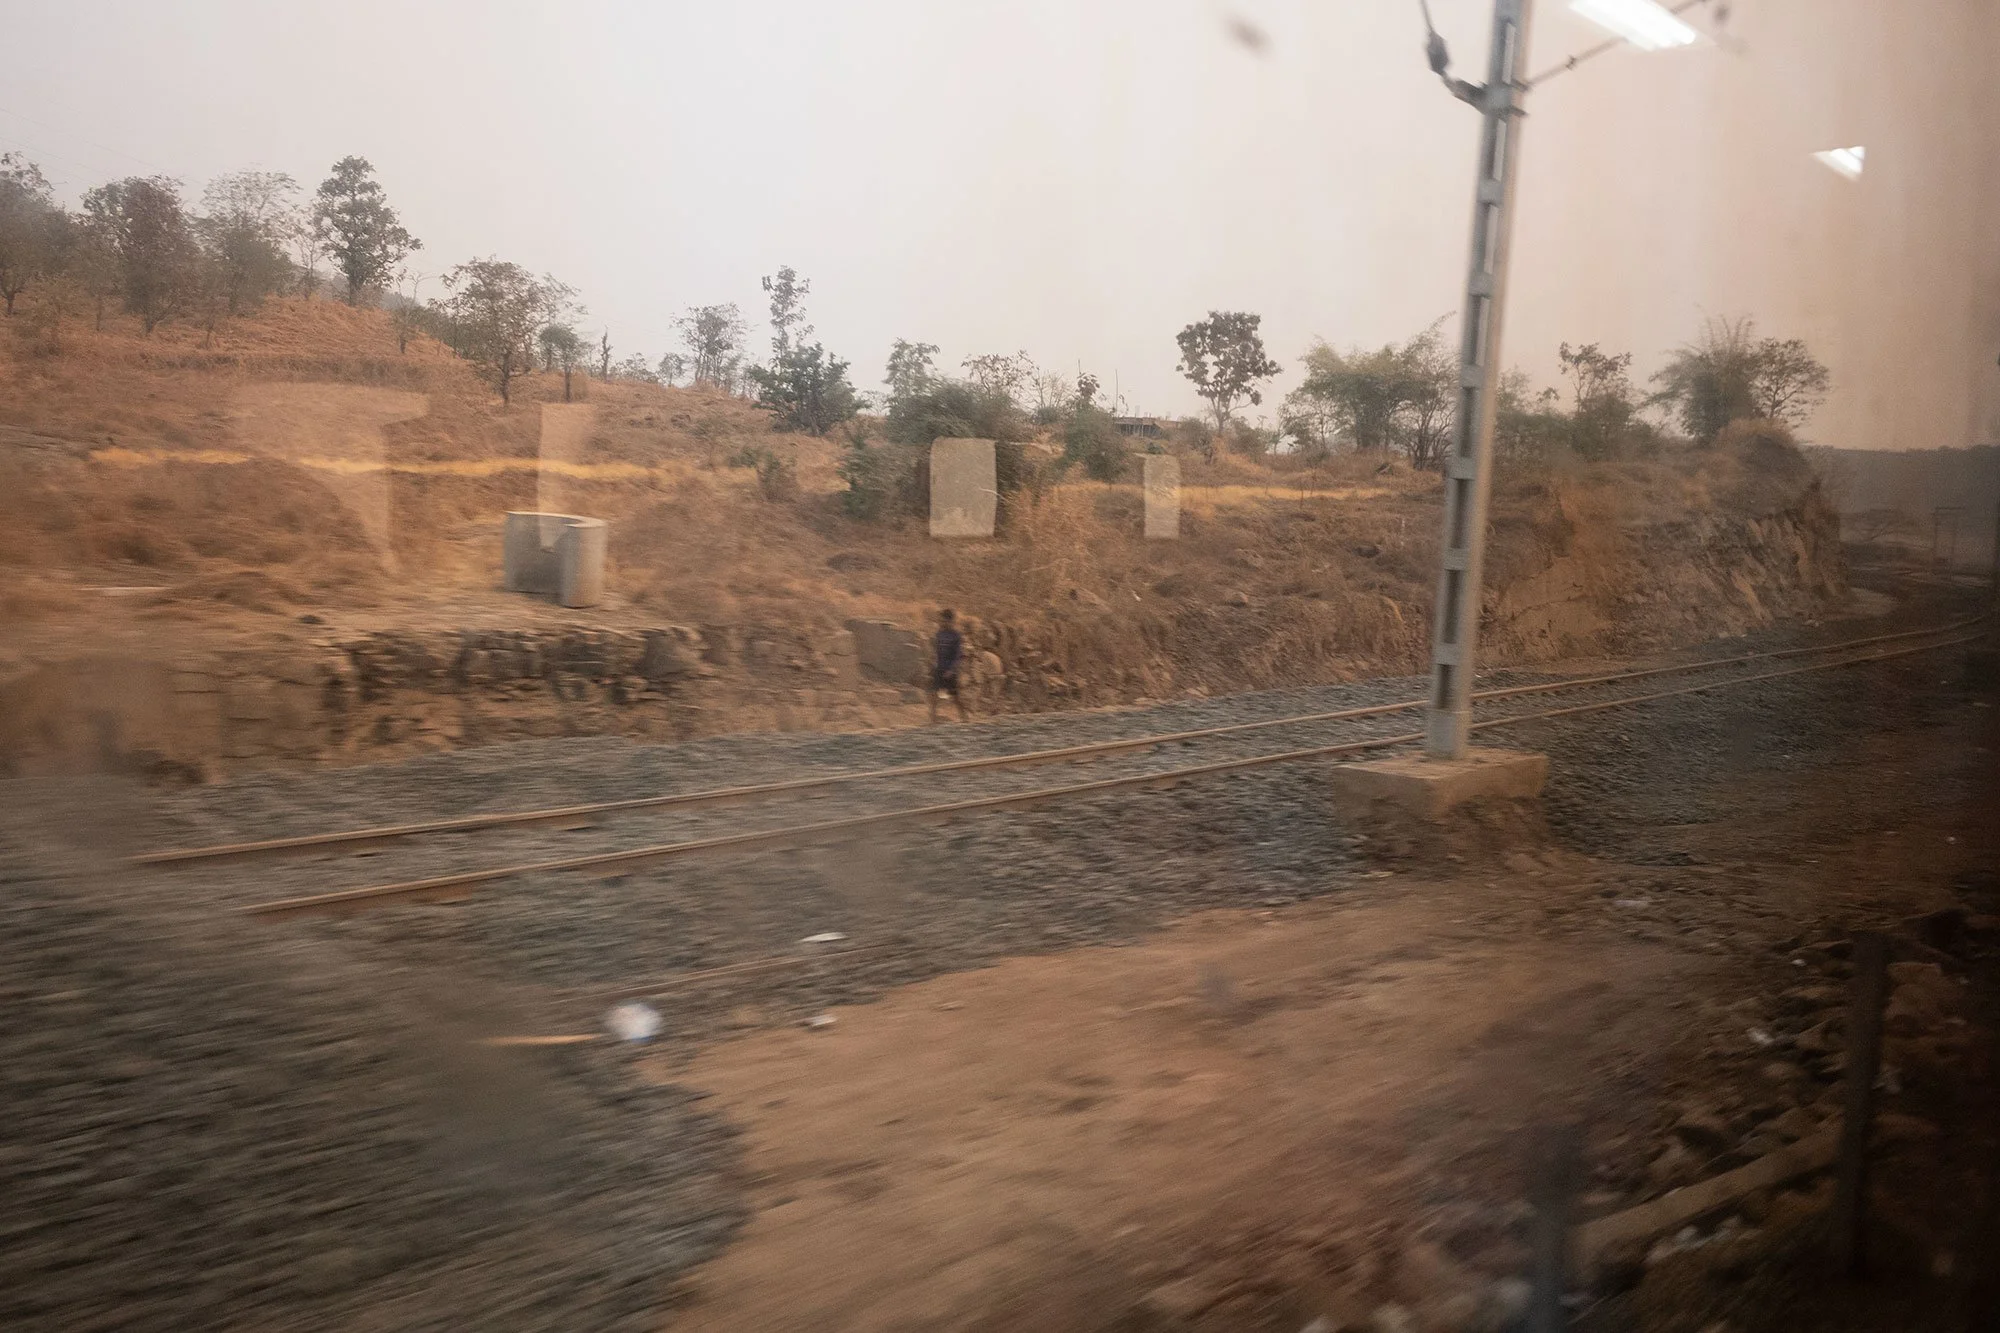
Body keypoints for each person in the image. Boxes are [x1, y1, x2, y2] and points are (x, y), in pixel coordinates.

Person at [928, 608, 970, 723]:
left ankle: (965, 718)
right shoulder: (939, 634)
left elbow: (958, 655)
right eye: (941, 620)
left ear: (950, 621)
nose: (942, 623)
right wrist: (933, 664)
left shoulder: (956, 636)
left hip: (950, 671)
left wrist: (951, 670)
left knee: (955, 697)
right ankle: (933, 718)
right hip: (939, 668)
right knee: (933, 693)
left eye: (944, 621)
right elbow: (935, 651)